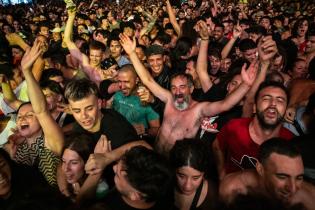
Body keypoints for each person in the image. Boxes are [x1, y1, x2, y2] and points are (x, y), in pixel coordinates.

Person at [119, 33, 257, 155]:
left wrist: (246, 85)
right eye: (174, 88)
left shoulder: (199, 109)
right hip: (156, 156)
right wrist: (131, 53)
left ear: (191, 89)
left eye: (182, 87)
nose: (178, 92)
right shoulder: (169, 100)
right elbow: (147, 80)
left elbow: (226, 104)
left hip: (174, 168)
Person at [4, 39, 64, 186]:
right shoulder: (16, 148)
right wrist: (10, 158)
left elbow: (42, 110)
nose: (22, 119)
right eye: (20, 116)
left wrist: (27, 72)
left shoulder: (50, 141)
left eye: (30, 115)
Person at [213, 81, 293, 179]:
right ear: (254, 107)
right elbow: (217, 146)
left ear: (285, 111)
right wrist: (221, 174)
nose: (273, 104)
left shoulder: (291, 142)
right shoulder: (234, 126)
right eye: (266, 99)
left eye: (280, 100)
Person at [219, 138, 315, 210]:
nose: (293, 189)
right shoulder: (232, 189)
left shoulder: (310, 197)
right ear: (260, 169)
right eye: (282, 176)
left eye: (299, 178)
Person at [86, 146, 173, 210]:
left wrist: (96, 171)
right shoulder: (165, 188)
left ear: (135, 196)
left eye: (118, 174)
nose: (113, 168)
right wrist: (107, 157)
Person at [170, 139, 218, 210]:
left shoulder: (214, 197)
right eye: (181, 176)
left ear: (204, 173)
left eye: (195, 178)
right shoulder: (163, 185)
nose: (187, 186)